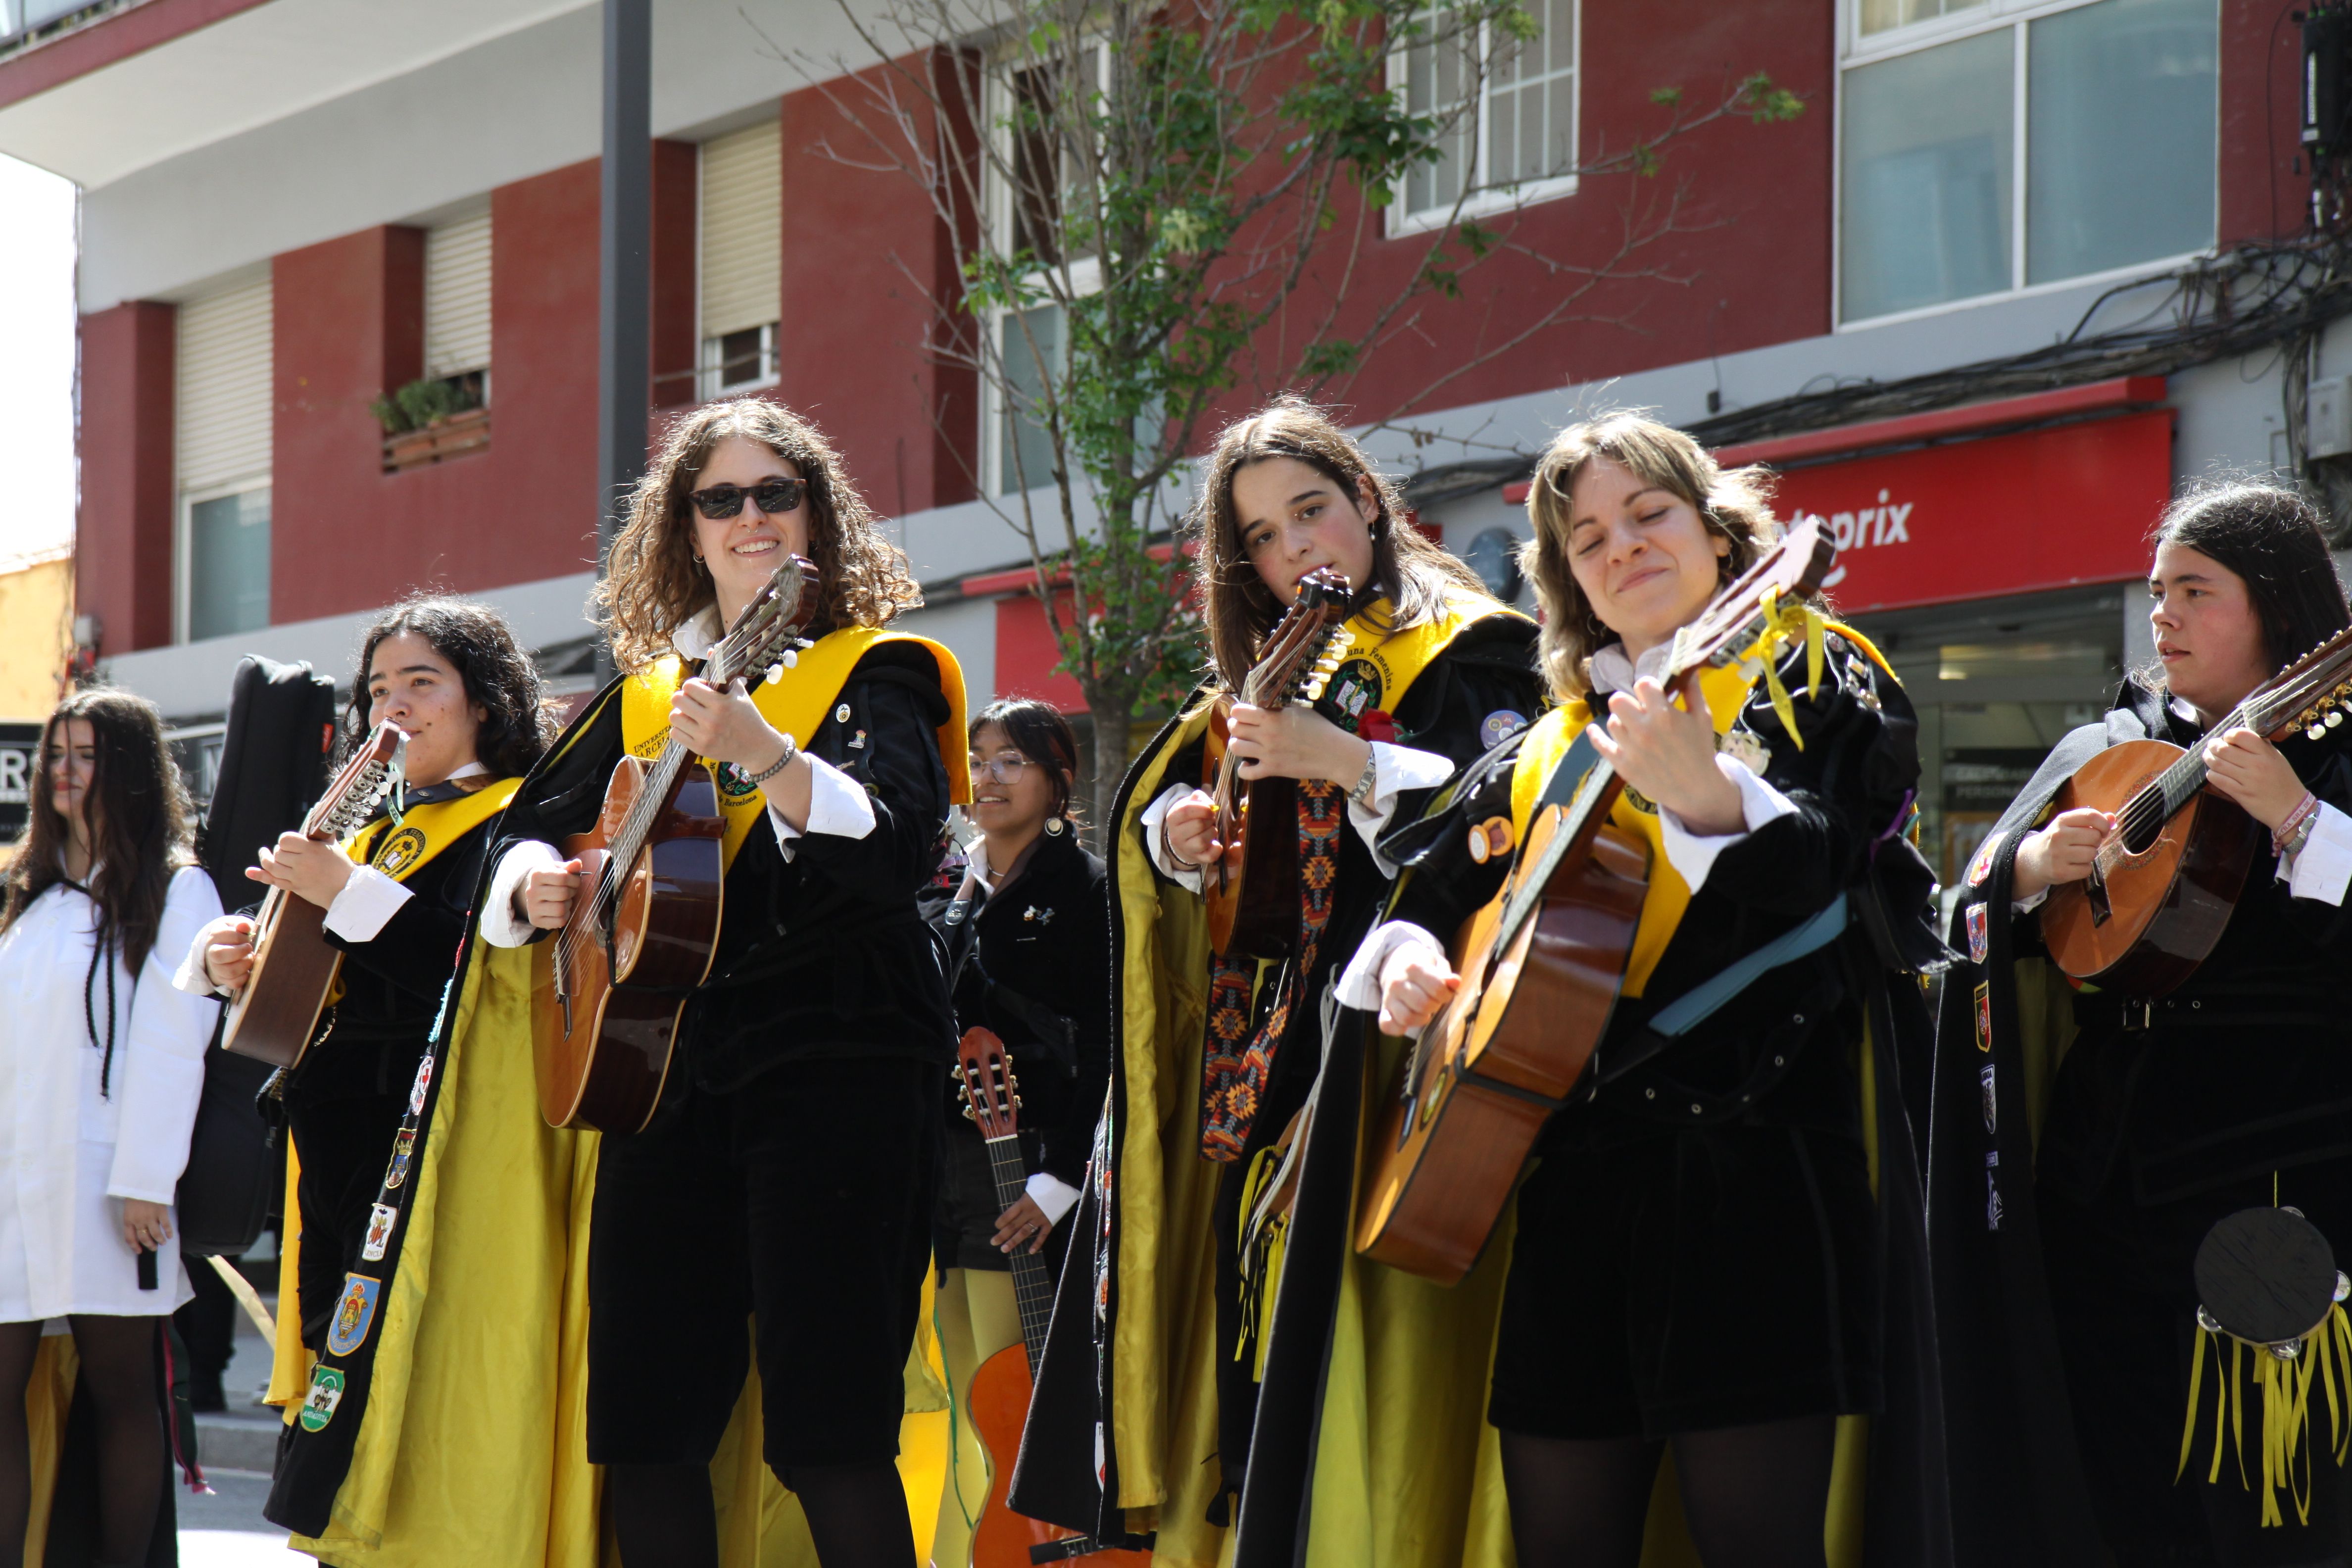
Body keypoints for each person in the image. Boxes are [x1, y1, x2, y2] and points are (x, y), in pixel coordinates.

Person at [1355, 412, 1948, 1568]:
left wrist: (1712, 798)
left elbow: (1844, 858)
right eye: (1587, 538)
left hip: (1760, 1180)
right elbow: (1424, 892)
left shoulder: (1819, 670)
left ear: (1720, 536)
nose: (1621, 546)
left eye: (1648, 514)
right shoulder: (1544, 746)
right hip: (1574, 1190)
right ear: (1568, 582)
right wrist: (1411, 962)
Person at [1012, 394, 1545, 1562]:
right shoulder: (1276, 669)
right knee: (1256, 1360)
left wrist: (1349, 761)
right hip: (1268, 1057)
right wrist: (1184, 835)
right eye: (1262, 533)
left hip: (1415, 1042)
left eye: (1312, 510)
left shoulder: (1477, 642)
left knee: (1366, 1350)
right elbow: (1183, 839)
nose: (1295, 544)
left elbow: (1519, 802)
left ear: (1367, 502)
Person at [480, 396, 969, 1568]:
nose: (750, 517)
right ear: (683, 529)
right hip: (668, 1078)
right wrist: (540, 886)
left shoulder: (879, 669)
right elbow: (522, 832)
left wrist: (767, 756)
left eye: (775, 494)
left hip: (839, 1057)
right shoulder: (649, 693)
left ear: (817, 517)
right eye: (721, 500)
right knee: (645, 1434)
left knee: (829, 1430)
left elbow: (903, 849)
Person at [1931, 483, 2352, 1568]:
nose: (2161, 615)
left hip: (2279, 1173)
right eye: (2159, 590)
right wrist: (2035, 865)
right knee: (2115, 1476)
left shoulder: (2340, 745)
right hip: (2098, 1177)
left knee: (2275, 1487)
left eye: (2196, 591)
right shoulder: (2109, 746)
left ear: (2274, 606)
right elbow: (1955, 911)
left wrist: (2300, 819)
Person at [173, 595, 551, 1542]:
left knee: (412, 1371)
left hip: (430, 1143)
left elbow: (462, 965)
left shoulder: (522, 823)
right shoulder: (372, 831)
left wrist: (341, 888)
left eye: (423, 683)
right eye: (380, 687)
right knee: (337, 1369)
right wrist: (235, 964)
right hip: (332, 1135)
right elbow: (309, 987)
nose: (396, 706)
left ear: (487, 704)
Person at [0, 689, 224, 1568]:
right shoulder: (32, 899)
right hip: (15, 1181)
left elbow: (178, 1043)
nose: (64, 771)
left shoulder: (176, 889)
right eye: (56, 754)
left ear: (127, 767)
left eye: (85, 754)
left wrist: (144, 1179)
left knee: (125, 1395)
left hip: (111, 1186)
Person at [921, 698, 1110, 1568]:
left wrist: (1057, 1182)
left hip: (1030, 1178)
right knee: (969, 1399)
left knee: (1016, 1388)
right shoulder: (949, 892)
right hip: (950, 1181)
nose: (987, 779)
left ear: (1057, 780)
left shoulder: (1087, 892)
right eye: (979, 759)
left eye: (1011, 762)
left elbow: (1110, 1047)